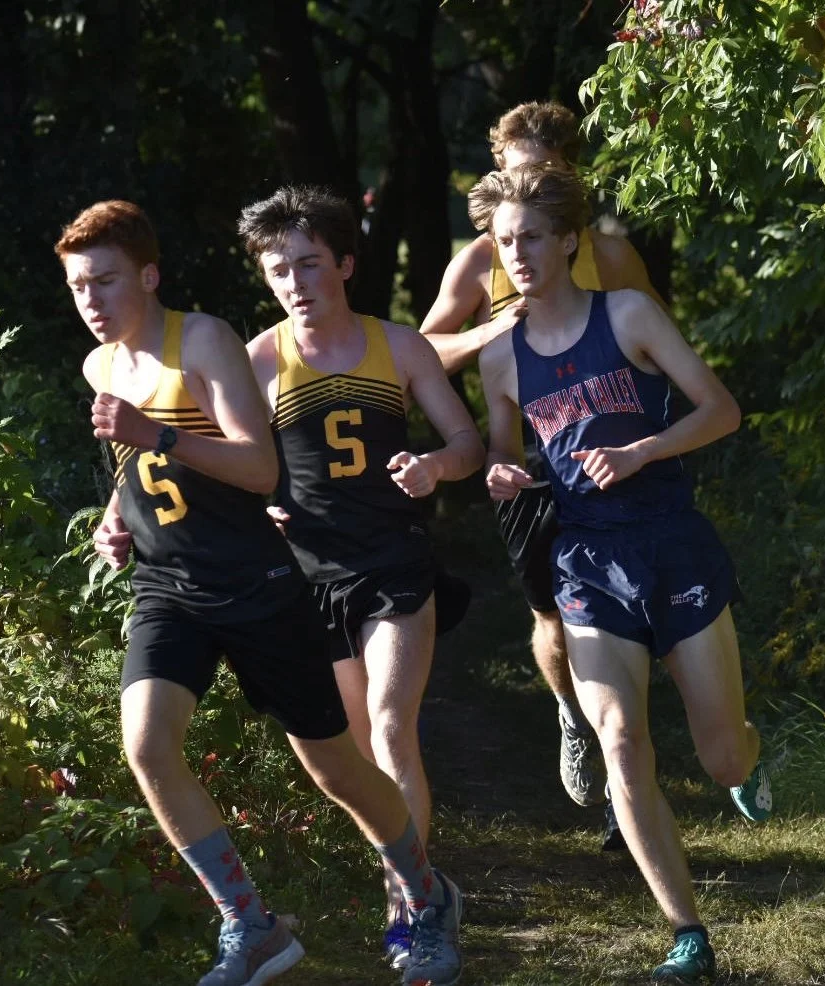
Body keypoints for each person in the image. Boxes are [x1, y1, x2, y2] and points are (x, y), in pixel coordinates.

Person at [58, 199, 464, 986]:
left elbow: (258, 468)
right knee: (146, 744)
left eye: (105, 281)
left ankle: (425, 898)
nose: (91, 300)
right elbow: (136, 470)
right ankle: (251, 924)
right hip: (167, 587)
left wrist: (155, 433)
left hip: (255, 583)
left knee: (339, 771)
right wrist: (116, 521)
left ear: (148, 276)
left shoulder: (204, 341)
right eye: (78, 286)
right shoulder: (98, 365)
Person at [472, 166, 772, 984]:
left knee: (719, 759)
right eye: (504, 242)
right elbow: (500, 452)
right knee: (620, 742)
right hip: (586, 561)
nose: (518, 254)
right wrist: (500, 472)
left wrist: (642, 450)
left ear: (568, 239)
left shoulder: (629, 314)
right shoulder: (498, 360)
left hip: (672, 545)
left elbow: (720, 410)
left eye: (532, 237)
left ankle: (748, 757)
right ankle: (687, 935)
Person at [238, 185, 483, 974]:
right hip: (309, 579)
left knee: (389, 725)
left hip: (392, 564)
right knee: (354, 760)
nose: (295, 282)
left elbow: (467, 443)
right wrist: (259, 509)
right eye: (279, 270)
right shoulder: (259, 360)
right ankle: (426, 890)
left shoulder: (399, 347)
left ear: (344, 264)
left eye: (309, 264)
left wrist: (434, 466)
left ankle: (410, 916)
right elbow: (229, 467)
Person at [420, 101, 667, 822]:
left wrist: (648, 440)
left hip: (607, 454)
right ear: (499, 170)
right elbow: (419, 353)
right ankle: (570, 712)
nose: (530, 188)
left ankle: (627, 775)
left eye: (549, 175)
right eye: (519, 172)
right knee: (555, 620)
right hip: (525, 460)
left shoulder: (608, 255)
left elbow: (659, 348)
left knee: (628, 616)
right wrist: (486, 332)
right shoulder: (481, 260)